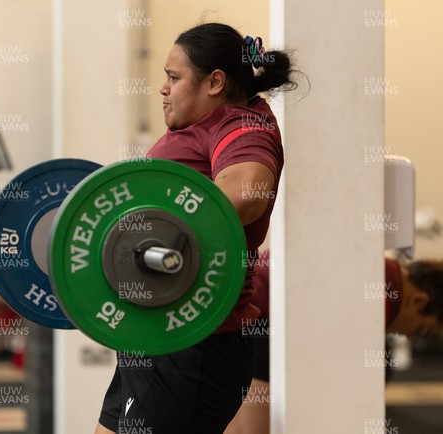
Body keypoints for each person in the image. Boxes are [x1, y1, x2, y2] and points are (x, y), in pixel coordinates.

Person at [95, 23, 297, 434]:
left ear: (215, 82)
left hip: (194, 344)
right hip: (155, 336)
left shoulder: (242, 126)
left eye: (173, 78)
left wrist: (150, 237)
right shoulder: (207, 126)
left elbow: (246, 194)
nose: (163, 89)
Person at [224, 251, 443, 434]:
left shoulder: (381, 271)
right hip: (253, 312)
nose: (410, 336)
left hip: (252, 305)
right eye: (420, 329)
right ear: (418, 300)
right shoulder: (378, 296)